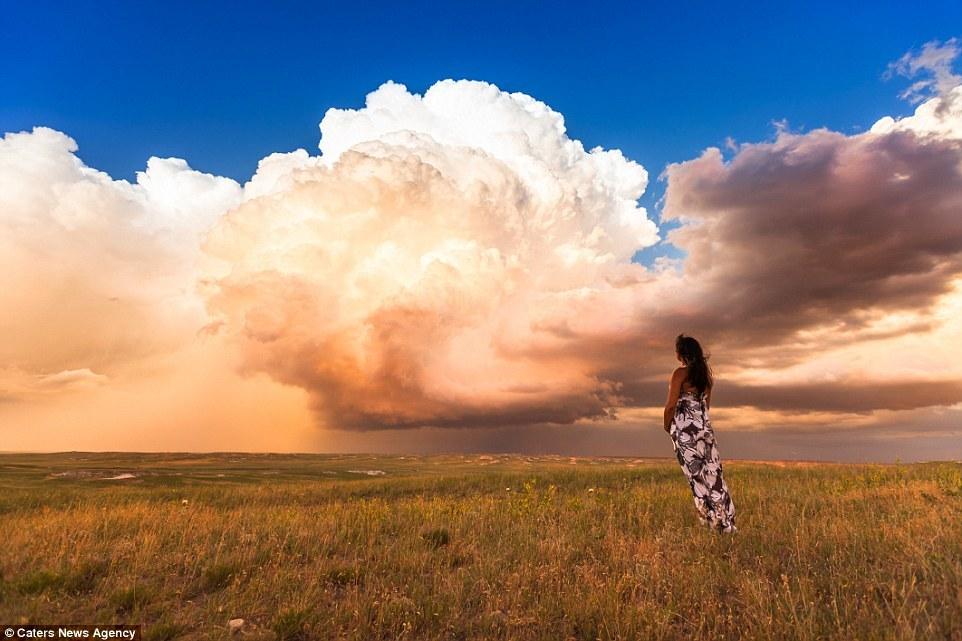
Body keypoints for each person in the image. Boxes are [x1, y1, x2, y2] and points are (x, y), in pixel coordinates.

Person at [663, 334, 736, 533]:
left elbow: (670, 405)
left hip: (685, 433)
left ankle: (712, 522)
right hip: (704, 430)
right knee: (713, 474)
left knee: (696, 477)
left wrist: (667, 425)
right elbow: (706, 407)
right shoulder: (706, 378)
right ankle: (725, 521)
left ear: (681, 355)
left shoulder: (680, 374)